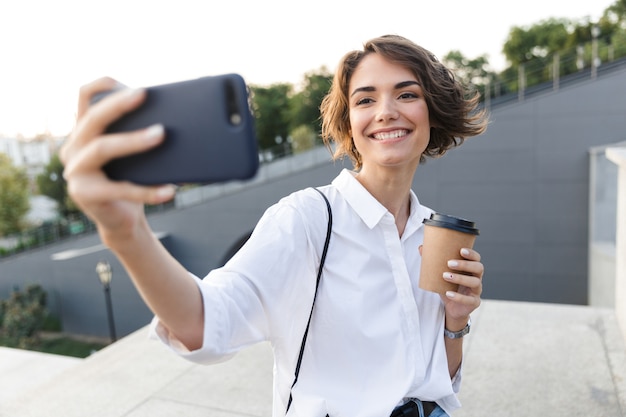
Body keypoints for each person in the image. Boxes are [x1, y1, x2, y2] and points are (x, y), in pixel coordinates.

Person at [60, 34, 488, 417]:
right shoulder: (306, 218)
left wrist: (454, 321)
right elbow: (204, 323)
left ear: (431, 112)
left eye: (406, 94)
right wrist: (125, 232)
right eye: (365, 99)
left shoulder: (430, 229)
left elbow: (438, 383)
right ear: (349, 126)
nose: (387, 112)